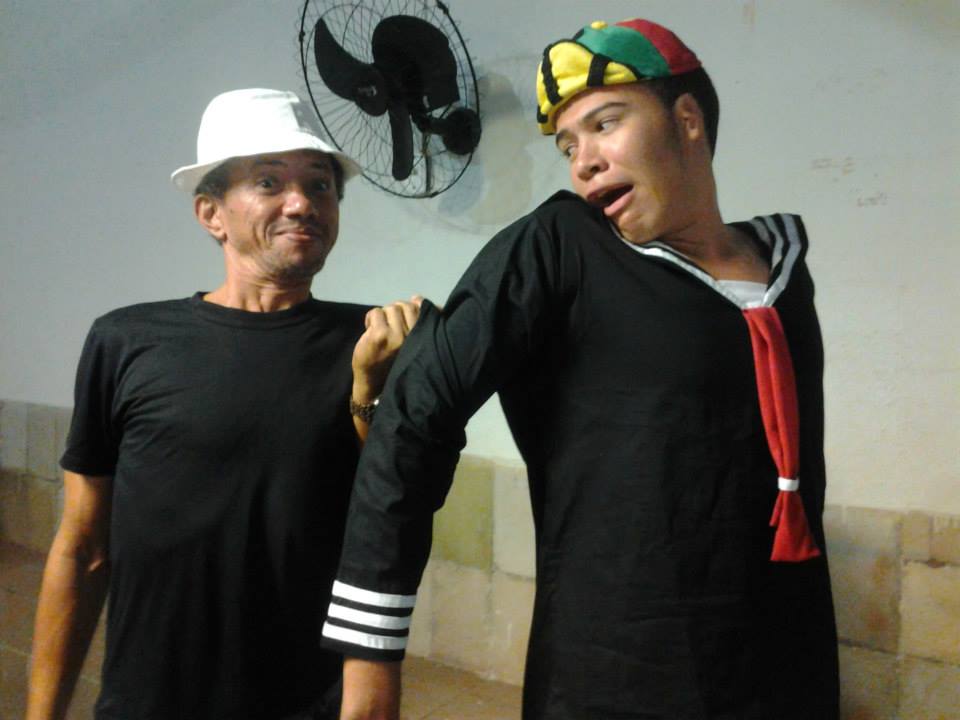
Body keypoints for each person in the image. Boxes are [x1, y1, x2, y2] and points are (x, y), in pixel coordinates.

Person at [323, 18, 839, 720]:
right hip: (612, 681)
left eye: (605, 123)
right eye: (569, 145)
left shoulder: (785, 271)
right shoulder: (562, 249)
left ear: (687, 119)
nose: (583, 162)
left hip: (785, 674)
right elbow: (416, 413)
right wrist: (370, 660)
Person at [26, 88, 421, 720]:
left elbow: (397, 510)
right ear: (211, 214)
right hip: (148, 701)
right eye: (269, 182)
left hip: (306, 702)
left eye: (319, 185)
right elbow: (83, 547)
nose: (302, 203)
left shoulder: (376, 341)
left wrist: (371, 388)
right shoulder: (126, 341)